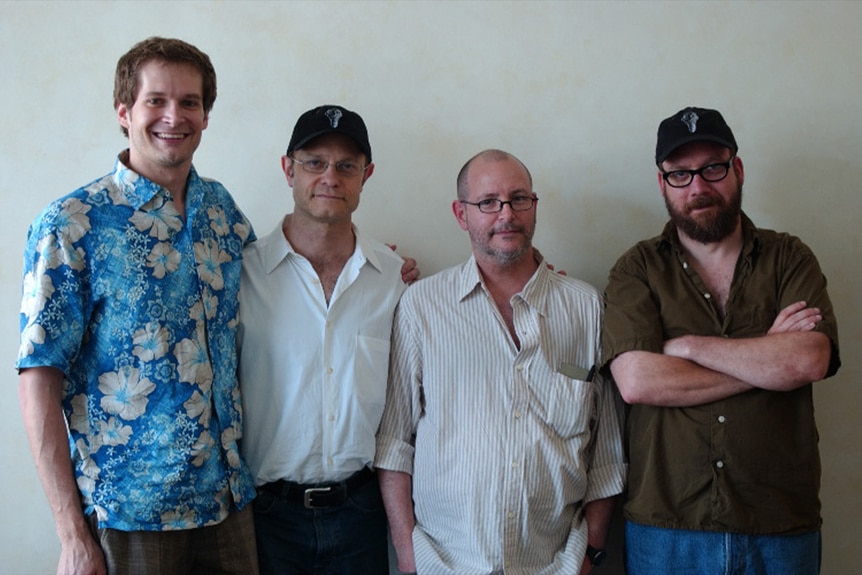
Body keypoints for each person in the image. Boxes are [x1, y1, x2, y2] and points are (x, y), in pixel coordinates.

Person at [17, 37, 259, 574]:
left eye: (190, 102)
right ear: (124, 112)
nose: (174, 116)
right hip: (128, 518)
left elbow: (277, 287)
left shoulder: (220, 210)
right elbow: (37, 379)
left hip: (228, 503)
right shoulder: (72, 224)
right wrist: (71, 535)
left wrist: (364, 261)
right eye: (156, 100)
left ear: (205, 114)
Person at [601, 106, 841, 574]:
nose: (698, 185)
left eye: (713, 166)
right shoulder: (638, 269)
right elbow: (637, 382)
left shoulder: (790, 257)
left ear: (738, 169)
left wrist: (689, 347)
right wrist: (766, 361)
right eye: (680, 174)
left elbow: (808, 361)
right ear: (662, 183)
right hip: (666, 528)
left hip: (779, 524)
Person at [375, 149, 626, 575]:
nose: (506, 214)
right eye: (488, 202)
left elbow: (607, 453)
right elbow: (395, 443)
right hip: (444, 564)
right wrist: (407, 554)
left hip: (556, 565)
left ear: (534, 206)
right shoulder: (422, 306)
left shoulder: (586, 308)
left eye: (518, 199)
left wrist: (591, 555)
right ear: (461, 214)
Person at [239, 105, 417, 574]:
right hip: (266, 516)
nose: (330, 177)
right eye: (314, 162)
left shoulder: (394, 280)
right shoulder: (240, 276)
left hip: (361, 513)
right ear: (288, 169)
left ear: (366, 175)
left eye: (346, 166)